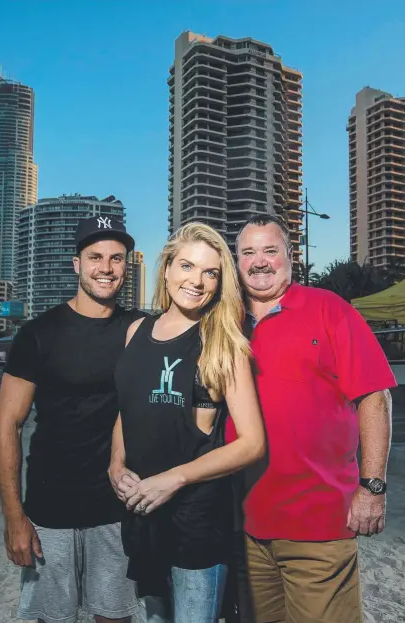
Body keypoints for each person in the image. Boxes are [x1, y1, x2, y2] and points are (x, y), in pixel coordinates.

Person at [227, 213, 397, 623]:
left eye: (270, 250)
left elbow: (375, 396)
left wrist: (372, 486)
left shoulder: (329, 309)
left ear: (290, 256)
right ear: (236, 262)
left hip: (319, 523)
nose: (260, 261)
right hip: (242, 525)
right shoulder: (225, 324)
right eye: (248, 252)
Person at [109, 222, 266, 623]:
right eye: (187, 266)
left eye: (210, 272)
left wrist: (174, 479)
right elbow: (128, 408)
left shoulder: (221, 341)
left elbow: (251, 443)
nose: (196, 281)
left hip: (195, 520)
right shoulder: (135, 331)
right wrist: (116, 463)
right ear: (166, 270)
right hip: (142, 513)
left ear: (219, 282)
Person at [0, 216, 145, 623]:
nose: (107, 267)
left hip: (117, 507)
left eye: (116, 258)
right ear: (77, 264)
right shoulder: (39, 334)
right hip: (49, 509)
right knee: (51, 618)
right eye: (95, 257)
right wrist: (14, 518)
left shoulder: (139, 330)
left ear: (126, 266)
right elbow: (8, 426)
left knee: (115, 616)